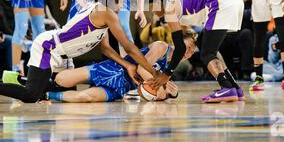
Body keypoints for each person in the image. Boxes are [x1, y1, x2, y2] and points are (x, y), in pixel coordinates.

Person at [0, 0, 169, 104]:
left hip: (64, 55)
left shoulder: (102, 14)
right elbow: (129, 47)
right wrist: (155, 71)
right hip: (49, 47)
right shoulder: (105, 13)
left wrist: (129, 67)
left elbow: (107, 49)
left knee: (63, 94)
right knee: (31, 96)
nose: (124, 1)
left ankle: (17, 79)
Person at [150, 0, 245, 103]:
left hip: (220, 2)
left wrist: (167, 74)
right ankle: (235, 87)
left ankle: (227, 87)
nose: (153, 12)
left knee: (207, 53)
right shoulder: (178, 4)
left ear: (158, 3)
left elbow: (180, 47)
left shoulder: (170, 8)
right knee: (207, 48)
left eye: (152, 7)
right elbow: (192, 38)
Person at [46, 37, 195, 102]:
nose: (188, 53)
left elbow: (153, 94)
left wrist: (172, 94)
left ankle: (47, 95)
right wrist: (161, 89)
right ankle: (39, 81)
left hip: (121, 86)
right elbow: (142, 67)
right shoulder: (162, 47)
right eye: (187, 47)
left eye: (191, 53)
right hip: (111, 68)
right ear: (178, 42)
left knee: (85, 97)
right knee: (61, 79)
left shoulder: (171, 67)